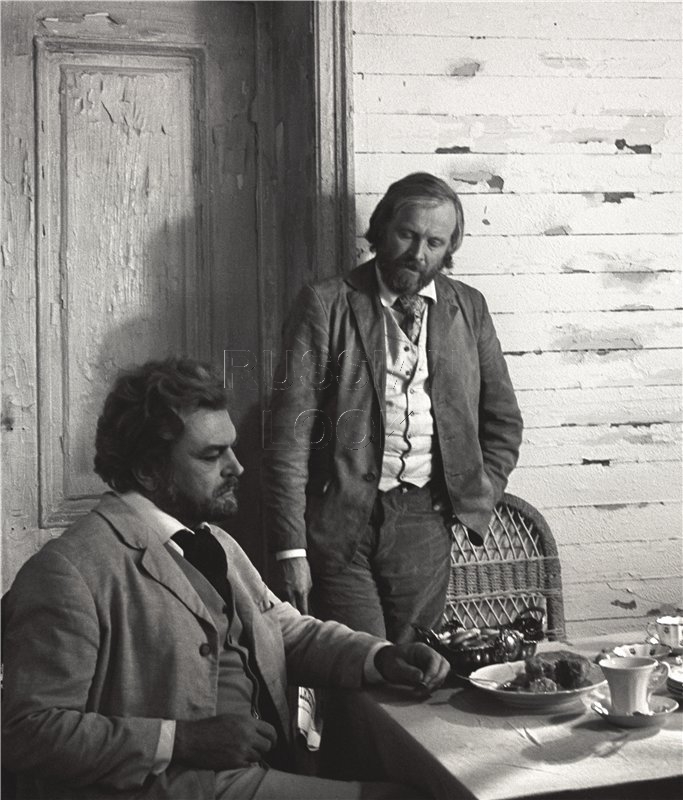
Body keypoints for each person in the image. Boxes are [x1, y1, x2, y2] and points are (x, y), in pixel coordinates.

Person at [1, 358, 450, 800]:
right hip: (181, 787)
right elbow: (25, 732)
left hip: (260, 769)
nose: (237, 467)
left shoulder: (210, 539)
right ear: (149, 470)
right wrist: (181, 740)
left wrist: (380, 656)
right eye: (212, 455)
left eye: (230, 449)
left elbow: (283, 630)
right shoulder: (68, 571)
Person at [265, 172, 523, 643]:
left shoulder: (469, 308)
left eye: (434, 242)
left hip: (425, 522)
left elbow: (503, 421)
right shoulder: (325, 304)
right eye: (407, 234)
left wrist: (476, 490)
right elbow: (289, 436)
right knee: (361, 666)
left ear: (449, 248)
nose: (418, 253)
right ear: (382, 227)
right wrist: (290, 549)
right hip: (340, 522)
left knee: (417, 665)